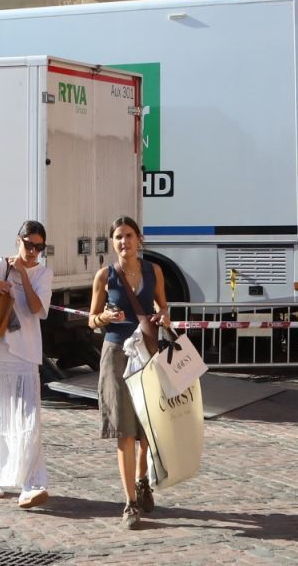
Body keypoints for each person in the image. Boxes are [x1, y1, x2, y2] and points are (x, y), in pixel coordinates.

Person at [87, 215, 172, 529]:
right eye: (118, 237)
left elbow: (164, 308)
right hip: (116, 355)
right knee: (124, 429)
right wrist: (105, 317)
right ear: (113, 242)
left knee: (147, 428)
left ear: (139, 239)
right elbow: (91, 319)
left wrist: (163, 316)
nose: (124, 242)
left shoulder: (154, 271)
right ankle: (130, 503)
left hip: (147, 353)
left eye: (129, 236)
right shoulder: (104, 276)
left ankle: (141, 479)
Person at [0, 219, 53, 509]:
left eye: (39, 247)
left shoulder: (44, 273)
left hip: (26, 354)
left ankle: (32, 484)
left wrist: (23, 276)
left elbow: (36, 308)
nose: (33, 251)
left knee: (28, 422)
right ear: (18, 241)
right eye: (29, 244)